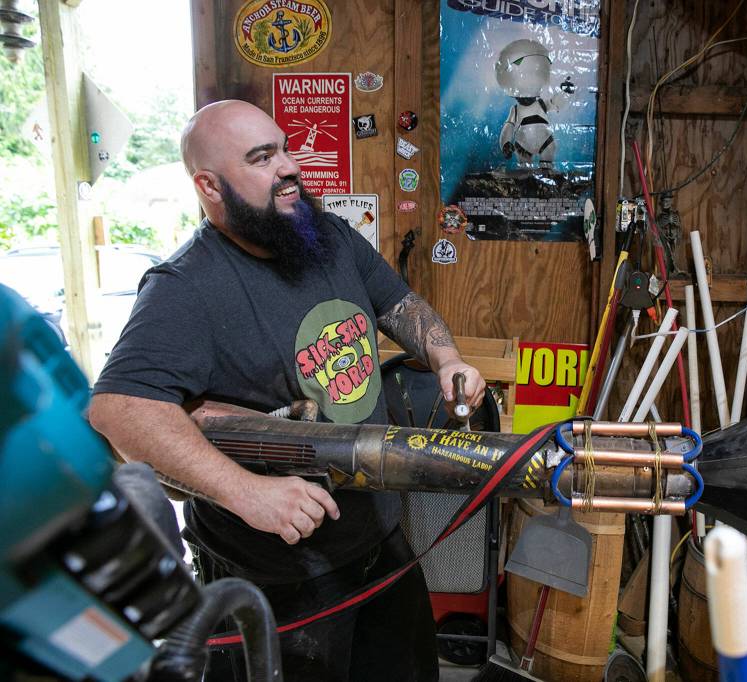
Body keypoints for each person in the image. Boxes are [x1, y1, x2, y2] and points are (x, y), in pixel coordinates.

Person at [87, 99, 486, 680]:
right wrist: (246, 491)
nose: (289, 166)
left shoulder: (323, 234)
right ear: (210, 185)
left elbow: (398, 304)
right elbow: (120, 408)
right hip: (279, 578)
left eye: (285, 148)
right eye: (262, 157)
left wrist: (447, 357)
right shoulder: (185, 287)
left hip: (380, 543)